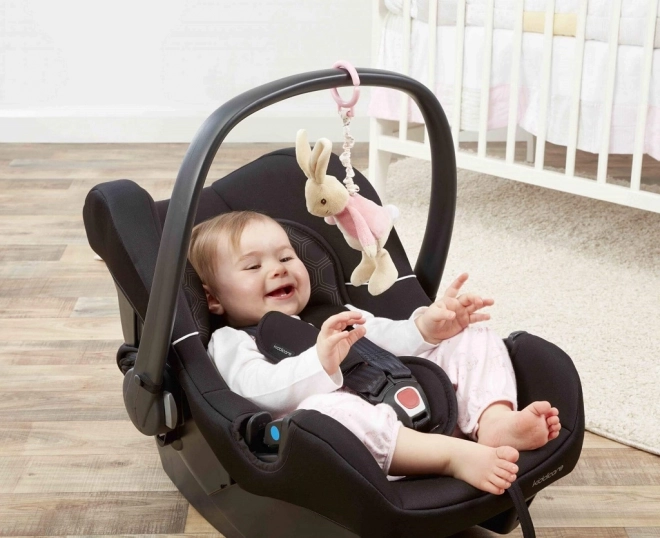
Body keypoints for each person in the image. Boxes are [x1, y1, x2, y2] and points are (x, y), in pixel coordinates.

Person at [188, 210, 561, 495]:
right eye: (254, 266)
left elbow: (387, 337)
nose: (277, 270)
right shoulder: (232, 341)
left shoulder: (329, 314)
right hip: (342, 445)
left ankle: (494, 422)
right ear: (213, 298)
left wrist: (427, 328)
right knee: (322, 413)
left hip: (410, 401)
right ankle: (450, 456)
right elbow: (256, 389)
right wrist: (319, 361)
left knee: (473, 335)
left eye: (286, 258)